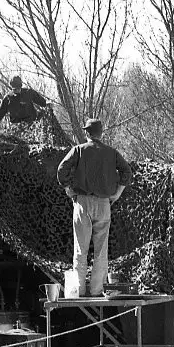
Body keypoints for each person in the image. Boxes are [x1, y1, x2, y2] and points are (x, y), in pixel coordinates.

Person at [57, 119, 133, 297]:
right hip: (104, 204)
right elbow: (127, 172)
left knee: (80, 249)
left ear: (87, 133)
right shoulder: (111, 153)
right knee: (101, 250)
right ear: (101, 133)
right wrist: (118, 193)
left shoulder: (79, 150)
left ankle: (79, 291)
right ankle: (97, 290)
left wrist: (68, 189)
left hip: (82, 202)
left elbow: (61, 169)